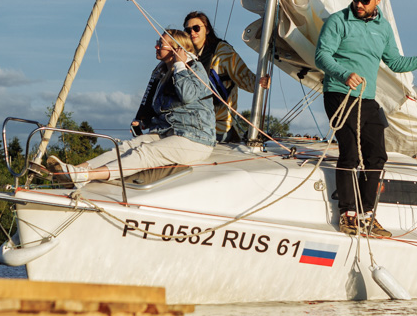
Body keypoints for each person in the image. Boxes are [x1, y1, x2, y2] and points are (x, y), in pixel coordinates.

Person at [314, 0, 417, 237]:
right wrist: (343, 73)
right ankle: (348, 213)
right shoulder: (338, 21)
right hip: (340, 94)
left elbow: (396, 63)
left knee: (377, 156)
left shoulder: (382, 28)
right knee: (350, 152)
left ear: (377, 0)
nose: (359, 5)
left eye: (364, 1)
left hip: (367, 98)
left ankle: (366, 214)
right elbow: (321, 56)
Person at [50, 29, 215, 187]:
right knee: (127, 147)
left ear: (177, 49)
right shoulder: (163, 72)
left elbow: (187, 95)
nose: (156, 46)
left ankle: (85, 176)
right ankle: (75, 170)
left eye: (161, 44)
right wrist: (146, 122)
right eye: (157, 42)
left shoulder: (194, 68)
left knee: (145, 153)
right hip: (169, 133)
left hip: (197, 140)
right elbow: (166, 109)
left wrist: (180, 64)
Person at [181, 11, 270, 142]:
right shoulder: (185, 55)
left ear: (207, 30)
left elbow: (244, 77)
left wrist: (261, 82)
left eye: (196, 28)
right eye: (188, 30)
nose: (192, 33)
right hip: (192, 125)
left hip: (219, 127)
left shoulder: (223, 51)